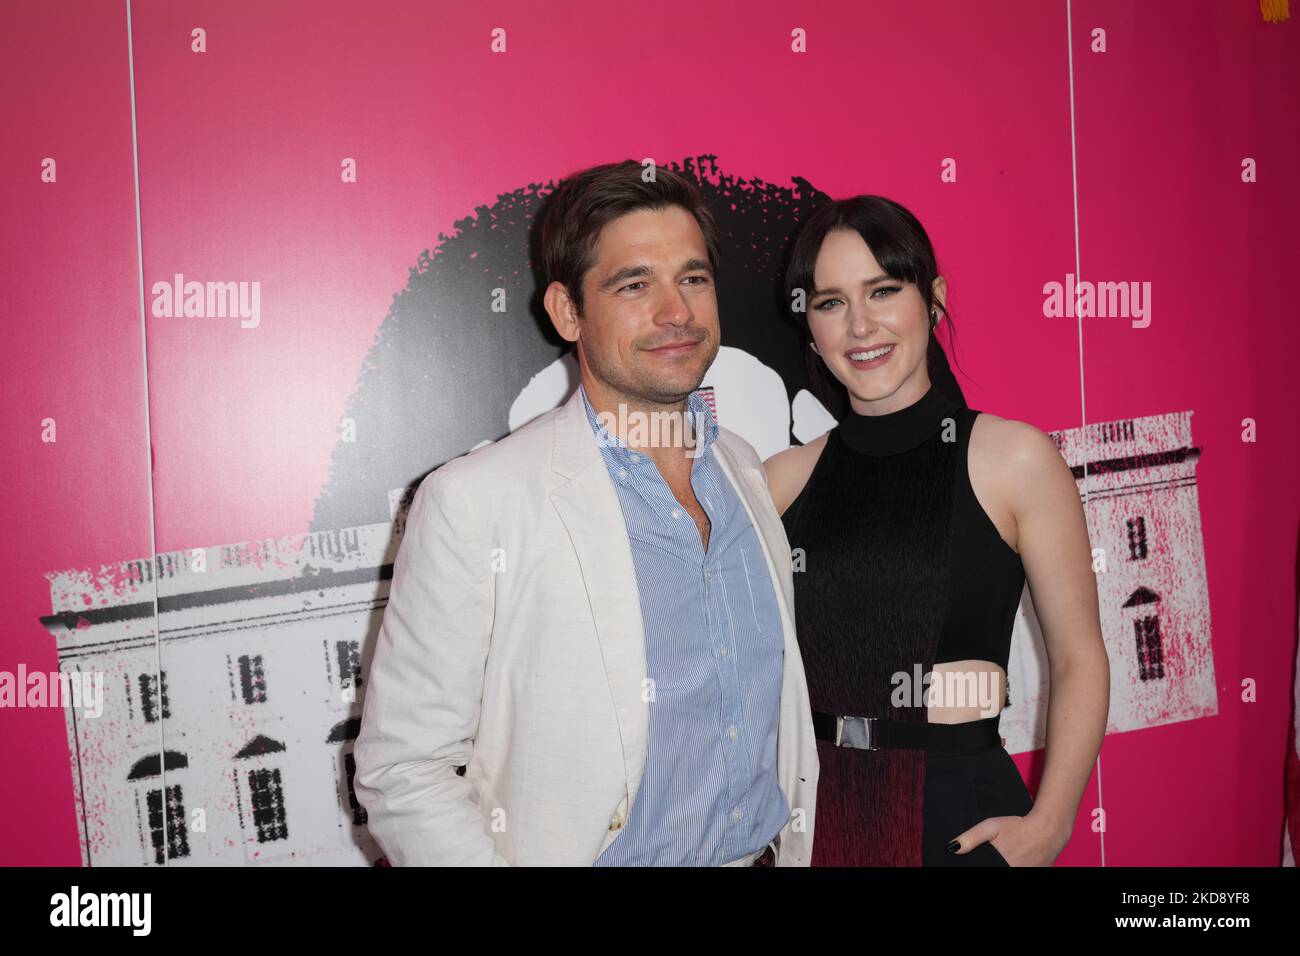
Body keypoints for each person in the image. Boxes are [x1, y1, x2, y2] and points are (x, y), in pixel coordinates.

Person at [352, 160, 819, 865]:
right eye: (635, 285)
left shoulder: (744, 469)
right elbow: (402, 770)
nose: (677, 313)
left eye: (692, 279)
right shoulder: (477, 501)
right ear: (567, 312)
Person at [764, 195, 1109, 866]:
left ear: (933, 298)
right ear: (809, 324)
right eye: (831, 302)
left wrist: (1051, 823)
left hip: (958, 817)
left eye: (883, 291)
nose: (860, 325)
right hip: (817, 821)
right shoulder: (780, 479)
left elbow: (1079, 658)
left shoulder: (1014, 460)